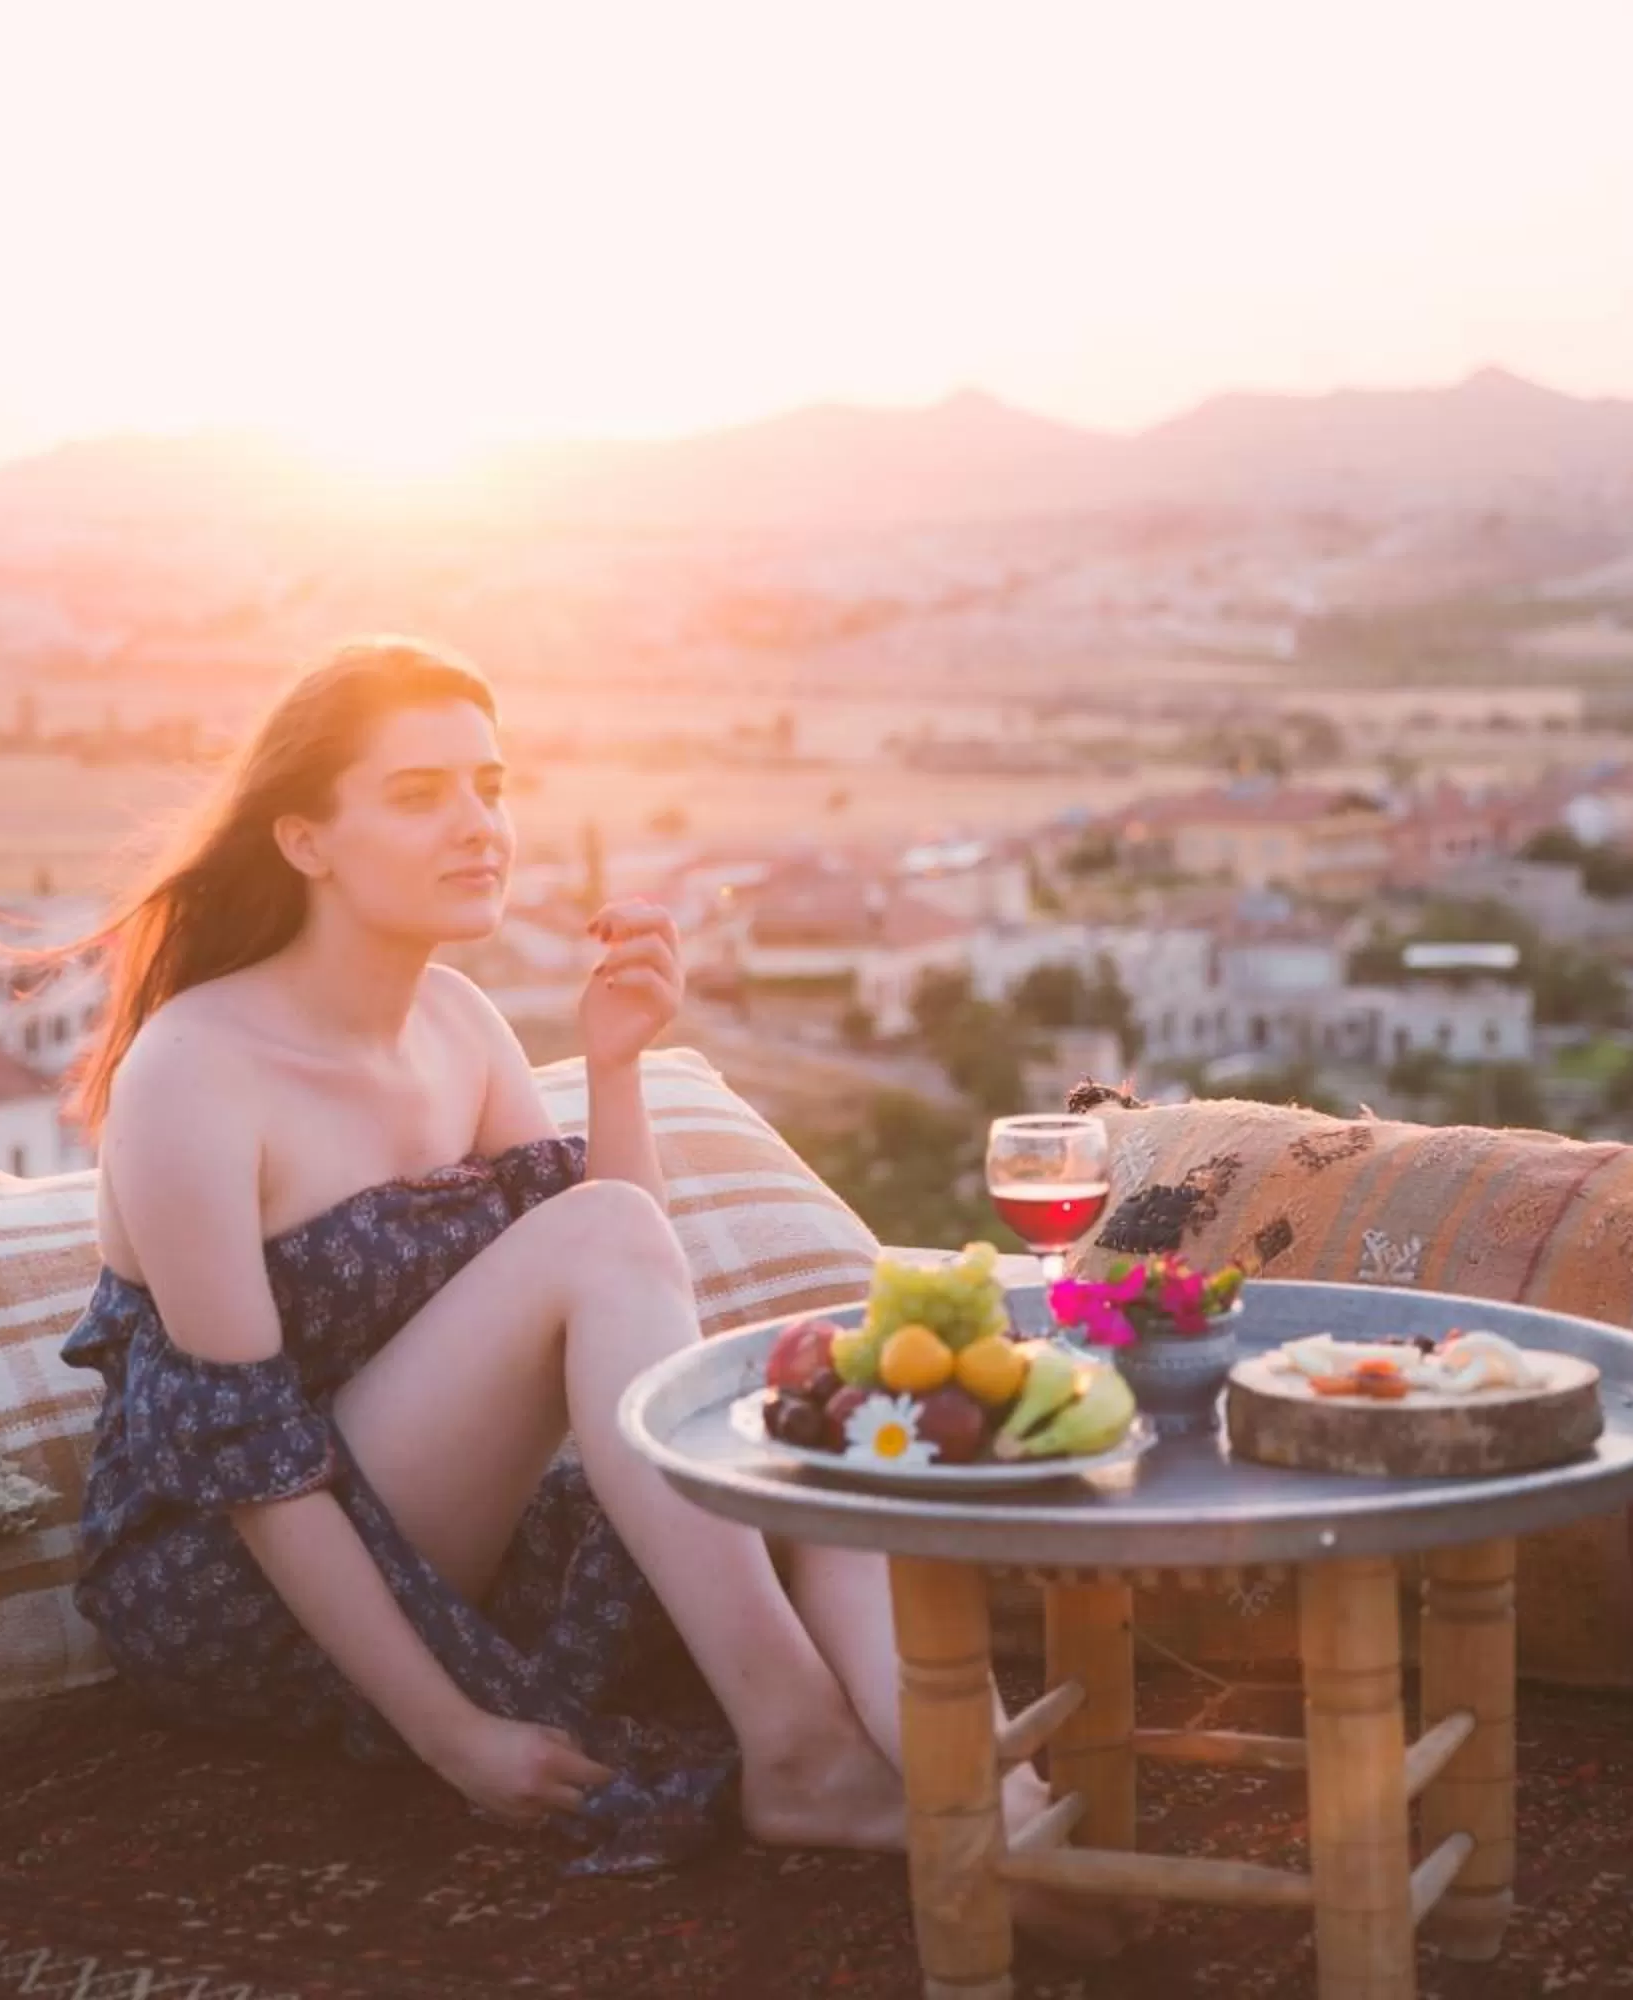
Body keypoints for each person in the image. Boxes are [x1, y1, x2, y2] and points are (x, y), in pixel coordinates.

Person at [54, 638, 1088, 1899]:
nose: (480, 824)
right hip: (239, 1581)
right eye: (420, 794)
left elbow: (633, 1309)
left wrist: (613, 1066)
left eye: (490, 784)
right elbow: (252, 1468)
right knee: (619, 1262)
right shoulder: (194, 1070)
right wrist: (452, 1733)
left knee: (811, 1441)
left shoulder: (459, 1020)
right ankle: (803, 1748)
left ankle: (1001, 1802)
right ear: (306, 840)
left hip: (435, 1526)